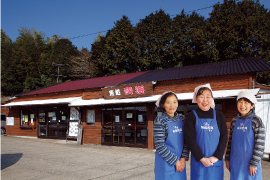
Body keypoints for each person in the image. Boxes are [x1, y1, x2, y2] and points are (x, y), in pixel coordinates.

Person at [184, 83, 227, 180]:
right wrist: (202, 158)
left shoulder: (219, 115)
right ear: (196, 99)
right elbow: (190, 139)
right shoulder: (191, 116)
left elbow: (224, 137)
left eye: (208, 96)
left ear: (212, 98)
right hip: (198, 161)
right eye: (201, 96)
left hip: (215, 162)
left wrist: (216, 157)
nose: (205, 100)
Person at [225, 90, 265, 180]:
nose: (242, 105)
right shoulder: (234, 121)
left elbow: (260, 145)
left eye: (246, 102)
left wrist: (254, 163)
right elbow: (230, 142)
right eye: (240, 102)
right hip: (235, 163)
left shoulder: (256, 121)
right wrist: (227, 158)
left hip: (250, 165)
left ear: (252, 105)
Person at [154, 91, 189, 180]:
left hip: (180, 163)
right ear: (163, 105)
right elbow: (159, 145)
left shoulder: (182, 119)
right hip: (165, 163)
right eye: (168, 102)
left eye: (174, 102)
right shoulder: (160, 120)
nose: (172, 105)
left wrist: (183, 158)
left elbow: (186, 141)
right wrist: (175, 161)